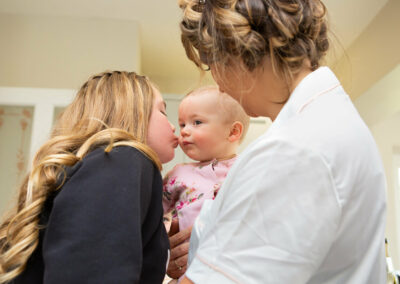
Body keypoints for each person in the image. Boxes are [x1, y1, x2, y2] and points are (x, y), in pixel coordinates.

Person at [170, 0, 387, 283]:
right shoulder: (328, 120)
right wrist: (212, 247)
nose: (221, 86)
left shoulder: (293, 149)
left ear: (238, 52)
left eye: (212, 65)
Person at [0, 71, 179, 283]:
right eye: (163, 111)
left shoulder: (109, 165)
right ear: (132, 112)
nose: (174, 126)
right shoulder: (120, 159)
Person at [162, 86, 249, 280]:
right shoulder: (178, 174)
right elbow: (153, 217)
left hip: (233, 272)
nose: (184, 131)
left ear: (233, 132)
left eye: (197, 122)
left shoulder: (247, 170)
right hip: (187, 273)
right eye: (182, 124)